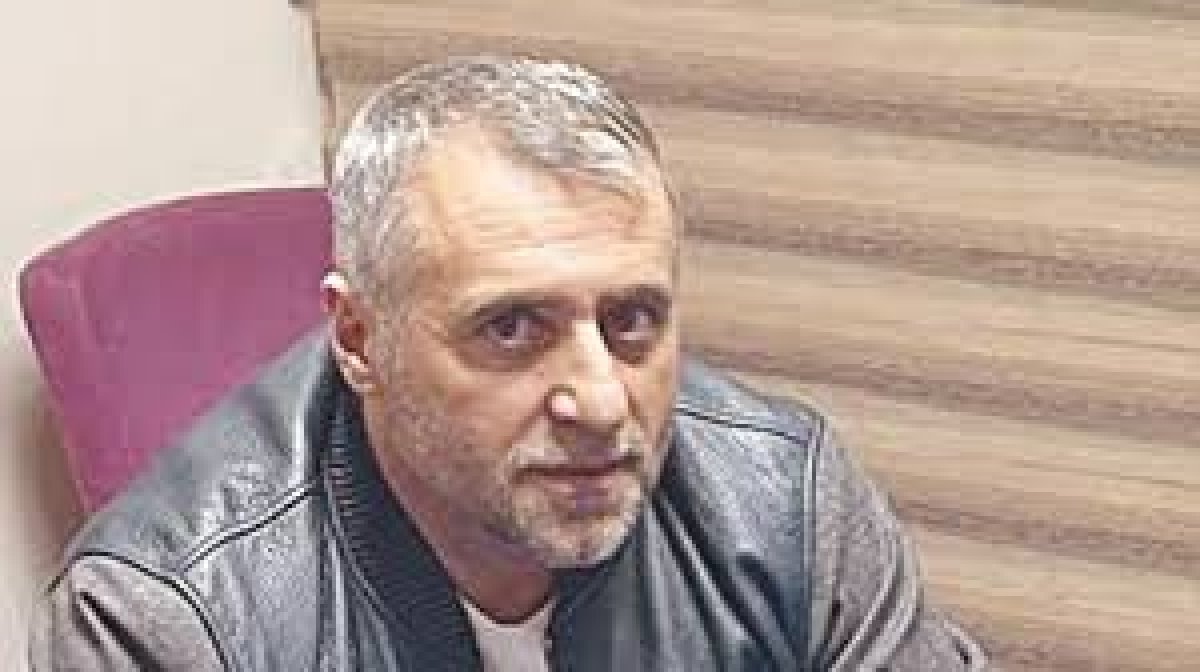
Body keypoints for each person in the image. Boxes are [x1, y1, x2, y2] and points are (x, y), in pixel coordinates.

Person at [32, 54, 987, 670]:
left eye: (632, 320)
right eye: (512, 328)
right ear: (360, 340)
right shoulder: (162, 617)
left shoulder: (786, 506)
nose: (601, 402)